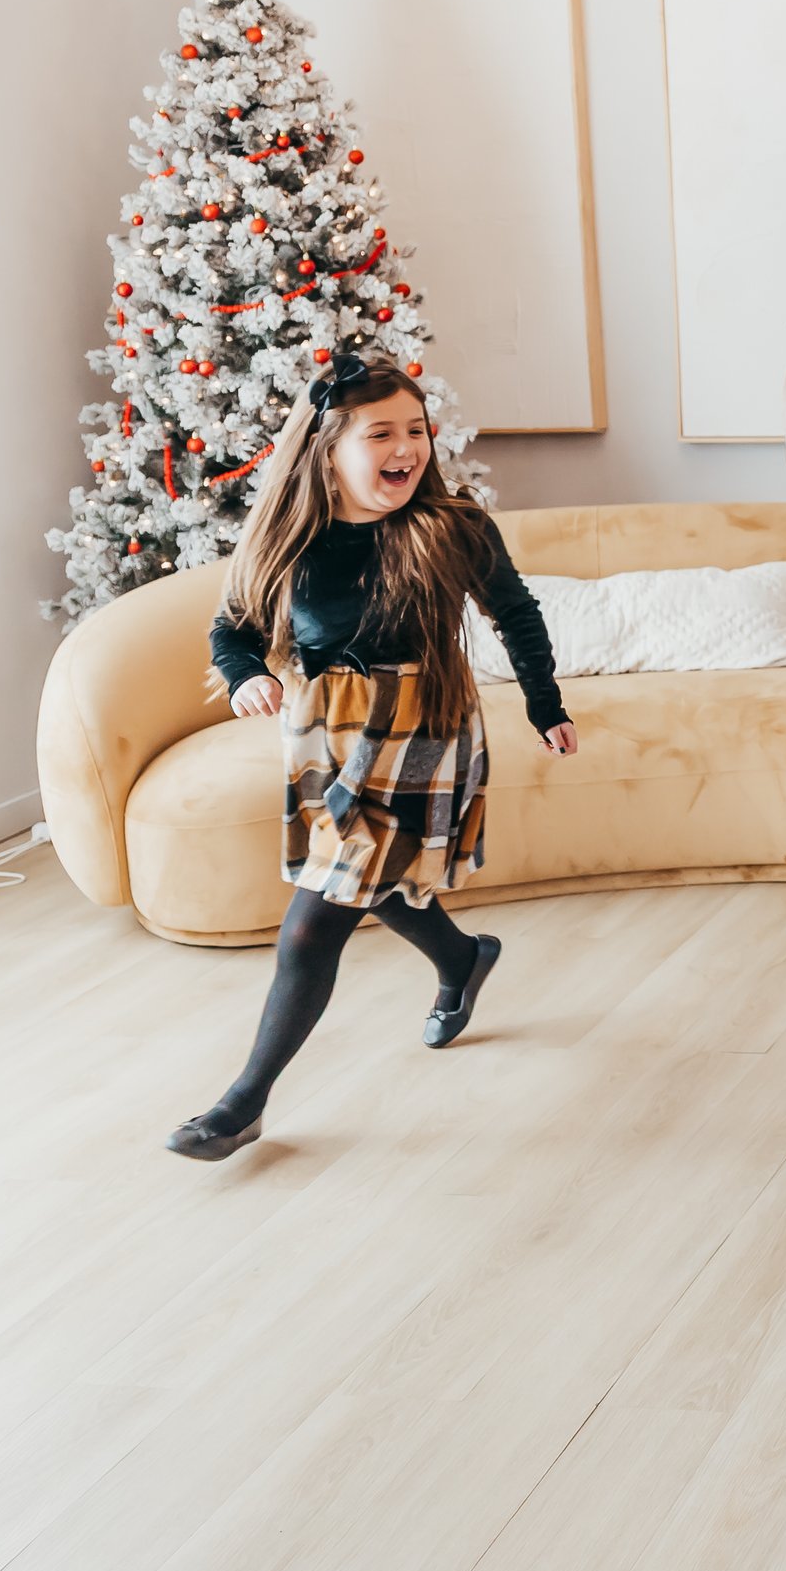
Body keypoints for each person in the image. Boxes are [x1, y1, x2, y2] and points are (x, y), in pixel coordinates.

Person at [173, 350, 575, 1162]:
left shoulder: (451, 525)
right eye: (382, 432)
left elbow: (516, 614)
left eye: (417, 430)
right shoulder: (288, 535)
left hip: (425, 730)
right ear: (327, 449)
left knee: (315, 920)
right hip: (328, 735)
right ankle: (464, 959)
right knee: (376, 883)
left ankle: (243, 1102)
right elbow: (234, 628)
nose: (408, 447)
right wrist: (247, 674)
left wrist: (545, 703)